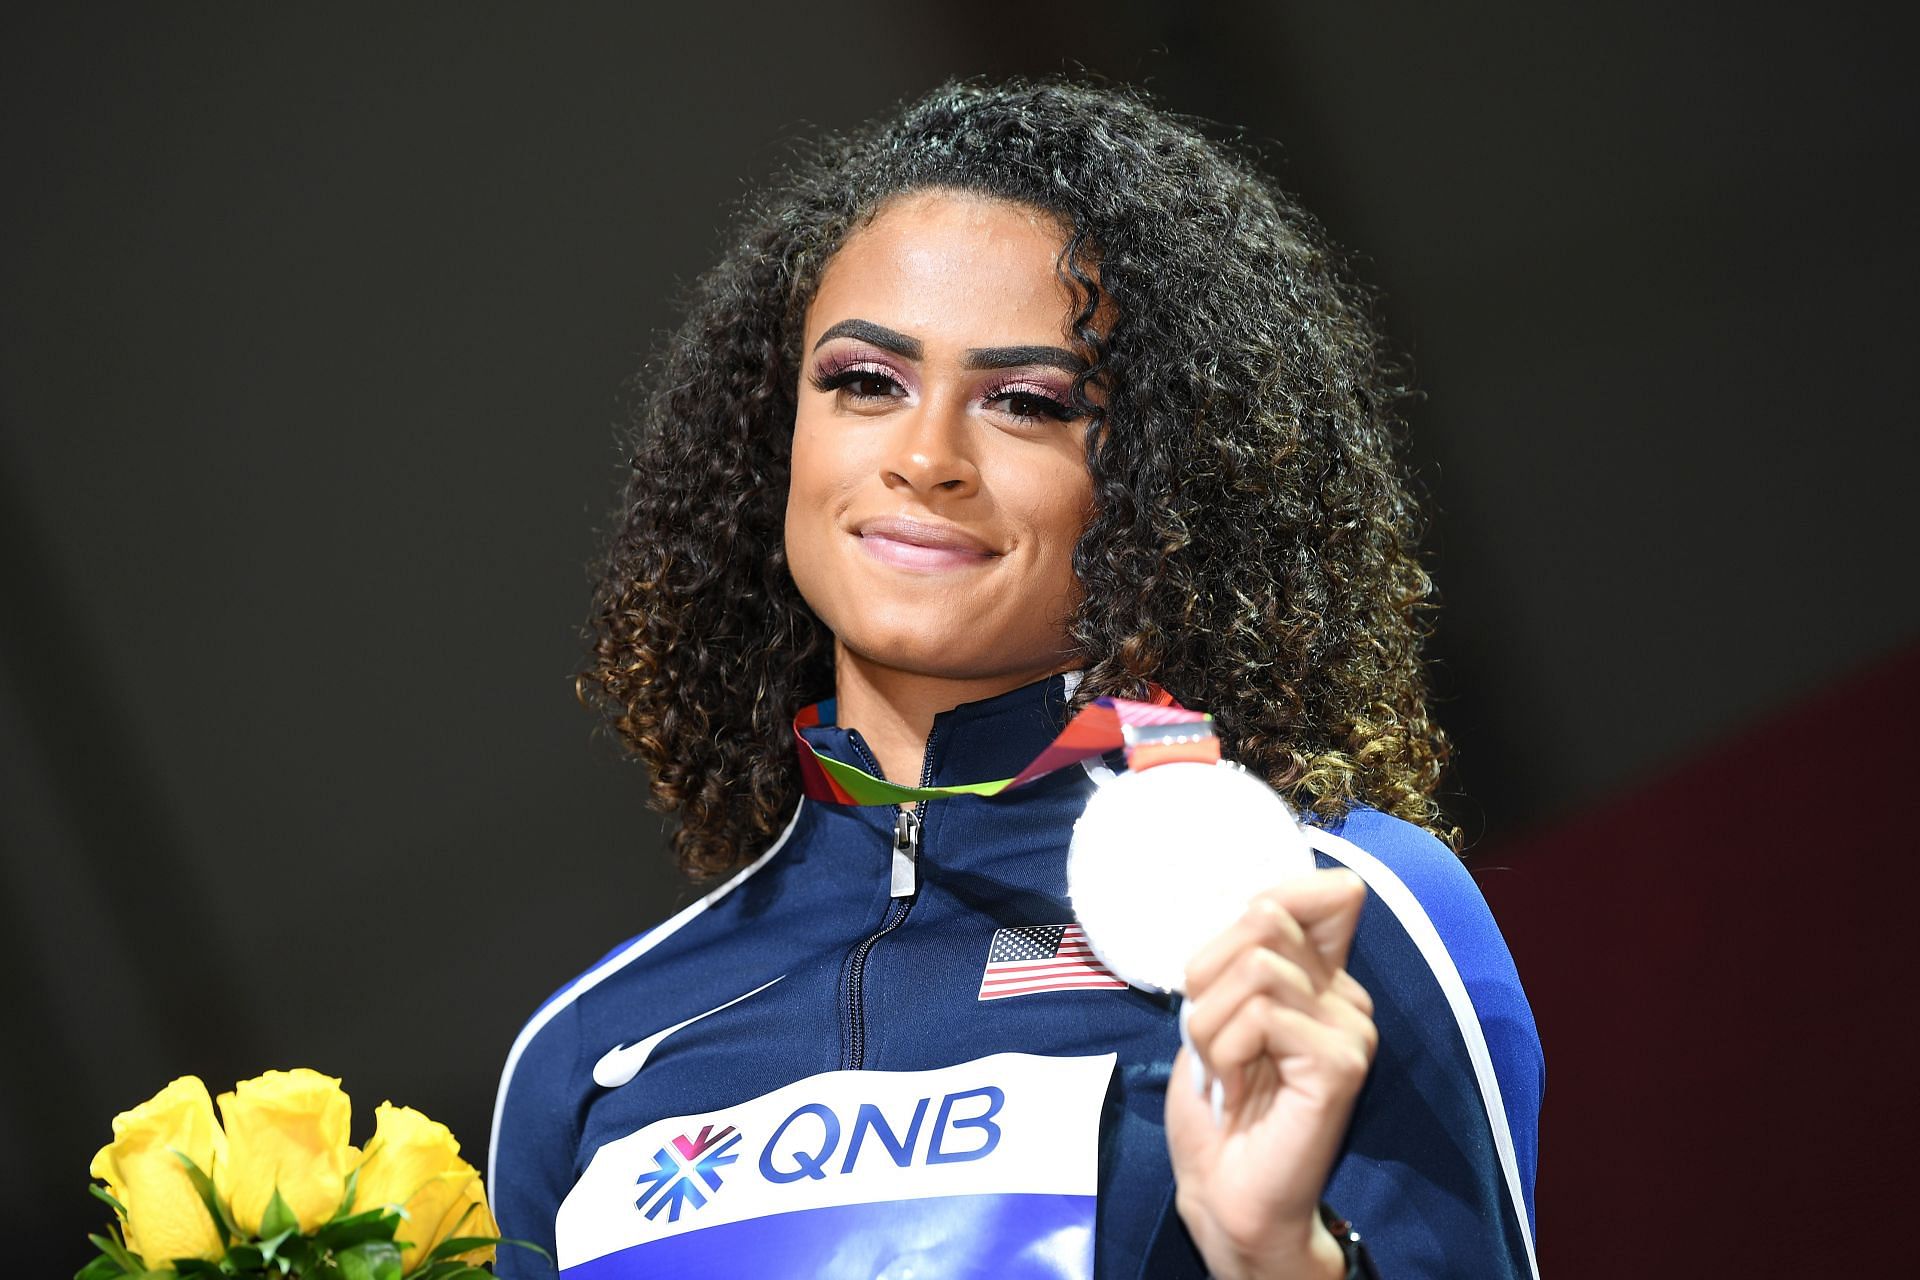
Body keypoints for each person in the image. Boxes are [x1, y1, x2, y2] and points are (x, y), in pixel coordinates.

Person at [490, 78, 1540, 1280]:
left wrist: (1270, 1252)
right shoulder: (591, 1054)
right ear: (776, 431)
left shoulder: (1313, 920)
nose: (926, 457)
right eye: (865, 382)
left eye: (1027, 402)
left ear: (1161, 481)